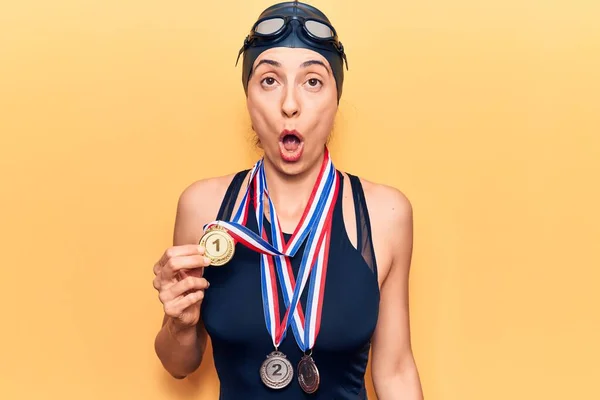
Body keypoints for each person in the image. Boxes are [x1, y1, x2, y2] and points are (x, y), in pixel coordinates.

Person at [152, 1, 424, 399]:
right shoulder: (204, 208)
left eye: (312, 81)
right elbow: (180, 365)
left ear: (335, 100)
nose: (290, 104)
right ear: (248, 96)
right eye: (269, 80)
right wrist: (179, 323)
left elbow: (396, 370)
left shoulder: (386, 214)